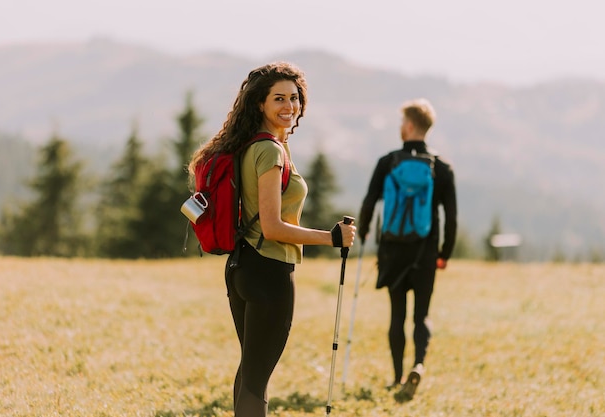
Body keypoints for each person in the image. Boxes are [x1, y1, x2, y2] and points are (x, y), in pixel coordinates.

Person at [188, 61, 356, 417]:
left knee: (250, 371)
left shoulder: (251, 146)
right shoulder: (269, 152)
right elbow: (272, 227)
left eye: (294, 98)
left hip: (241, 268)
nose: (289, 106)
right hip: (269, 271)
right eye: (278, 98)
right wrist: (333, 238)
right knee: (256, 378)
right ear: (259, 104)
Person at [357, 98, 457, 402]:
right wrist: (445, 253)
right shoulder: (441, 168)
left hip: (393, 250)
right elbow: (451, 216)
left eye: (402, 123)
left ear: (410, 126)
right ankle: (419, 364)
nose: (401, 128)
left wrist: (362, 232)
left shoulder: (388, 162)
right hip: (425, 252)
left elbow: (370, 201)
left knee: (396, 314)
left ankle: (397, 375)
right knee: (421, 315)